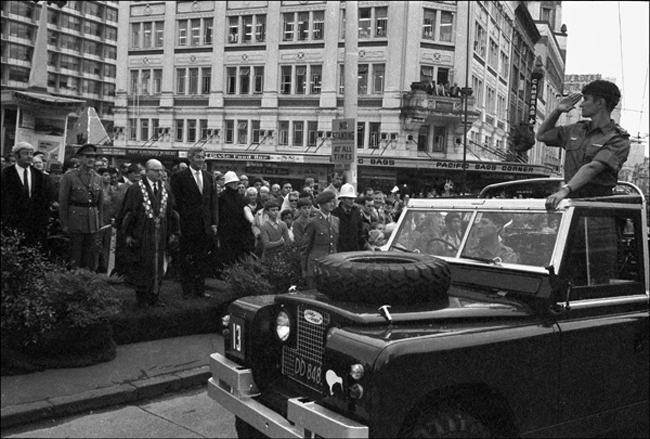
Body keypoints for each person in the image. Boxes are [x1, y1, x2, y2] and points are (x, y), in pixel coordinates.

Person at [536, 80, 630, 210]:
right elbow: (541, 135)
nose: (581, 105)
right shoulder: (576, 130)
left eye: (586, 99)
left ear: (600, 103)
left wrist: (565, 190)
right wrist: (557, 111)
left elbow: (593, 168)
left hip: (598, 209)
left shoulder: (618, 139)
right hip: (570, 205)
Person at [120, 159, 178, 308]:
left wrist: (172, 232)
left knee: (158, 265)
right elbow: (128, 212)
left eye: (162, 170)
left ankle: (154, 296)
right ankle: (142, 298)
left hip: (160, 234)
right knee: (142, 265)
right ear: (147, 171)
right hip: (142, 233)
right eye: (156, 170)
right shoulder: (135, 189)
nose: (160, 173)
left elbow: (171, 212)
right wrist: (128, 234)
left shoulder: (165, 188)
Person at [171, 146, 219, 298]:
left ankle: (200, 289)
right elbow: (176, 202)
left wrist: (214, 223)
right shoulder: (179, 176)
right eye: (198, 157)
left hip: (205, 226)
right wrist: (178, 225)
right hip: (187, 225)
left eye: (203, 157)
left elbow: (213, 202)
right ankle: (187, 289)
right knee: (186, 258)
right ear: (190, 158)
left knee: (202, 258)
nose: (201, 160)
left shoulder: (209, 176)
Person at [58, 144, 104, 270]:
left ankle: (88, 283)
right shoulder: (70, 176)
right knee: (75, 256)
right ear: (80, 158)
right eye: (88, 157)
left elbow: (100, 202)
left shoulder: (98, 178)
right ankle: (73, 282)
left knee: (90, 257)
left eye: (93, 157)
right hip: (76, 221)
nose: (91, 160)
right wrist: (65, 224)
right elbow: (63, 202)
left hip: (92, 221)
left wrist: (99, 222)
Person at [0, 142, 51, 247]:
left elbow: (42, 200)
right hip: (12, 221)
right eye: (25, 153)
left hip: (33, 223)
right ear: (16, 156)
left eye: (31, 154)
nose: (29, 156)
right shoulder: (6, 174)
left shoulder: (38, 175)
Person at [301, 191, 339, 289]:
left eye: (333, 201)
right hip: (316, 264)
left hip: (331, 264)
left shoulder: (335, 220)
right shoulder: (313, 222)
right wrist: (304, 270)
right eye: (328, 202)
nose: (332, 204)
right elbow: (305, 248)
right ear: (321, 204)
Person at [218, 170, 254, 266]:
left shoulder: (240, 197)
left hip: (239, 230)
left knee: (237, 252)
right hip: (226, 230)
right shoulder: (222, 197)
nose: (235, 184)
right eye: (232, 183)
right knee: (227, 252)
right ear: (227, 184)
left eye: (235, 182)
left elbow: (245, 210)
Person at [332, 183, 366, 252]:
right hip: (340, 251)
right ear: (342, 199)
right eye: (349, 198)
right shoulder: (335, 214)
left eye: (353, 198)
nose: (352, 201)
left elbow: (360, 231)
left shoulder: (356, 212)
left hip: (354, 250)